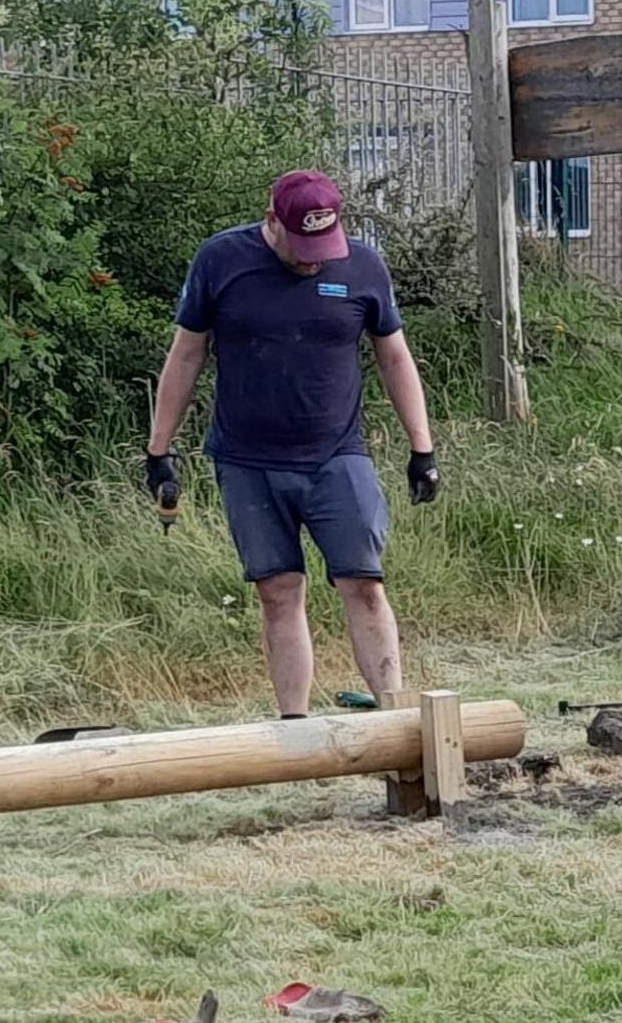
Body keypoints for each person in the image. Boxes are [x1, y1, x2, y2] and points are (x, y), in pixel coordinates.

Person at [144, 170, 440, 723]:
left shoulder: (362, 266)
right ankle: (295, 729)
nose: (314, 260)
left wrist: (421, 448)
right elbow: (187, 354)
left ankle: (396, 719)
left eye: (323, 247)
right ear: (272, 221)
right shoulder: (220, 261)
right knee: (278, 591)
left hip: (336, 455)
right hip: (247, 460)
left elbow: (393, 356)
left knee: (365, 584)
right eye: (303, 247)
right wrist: (159, 449)